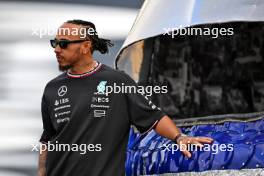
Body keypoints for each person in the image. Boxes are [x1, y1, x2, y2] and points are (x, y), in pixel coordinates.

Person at [38, 19, 213, 176]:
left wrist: (179, 137)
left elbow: (154, 117)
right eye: (54, 43)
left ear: (86, 46)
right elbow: (48, 139)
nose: (57, 49)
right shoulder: (52, 88)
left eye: (63, 44)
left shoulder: (117, 81)